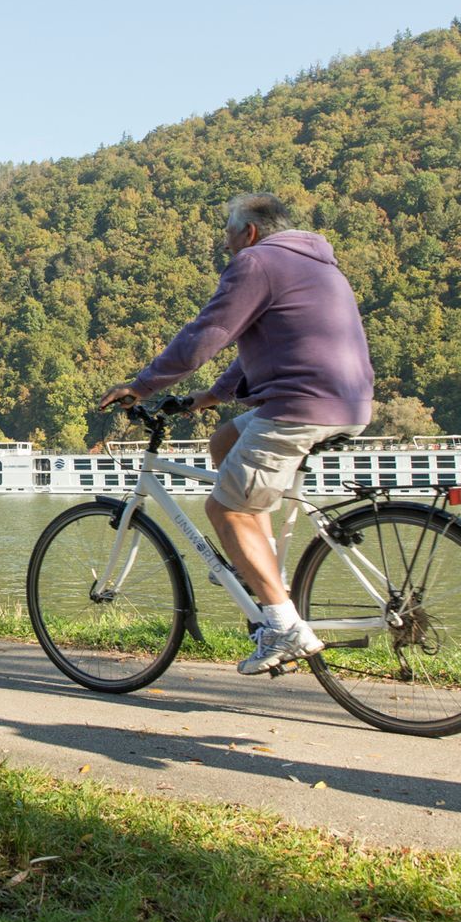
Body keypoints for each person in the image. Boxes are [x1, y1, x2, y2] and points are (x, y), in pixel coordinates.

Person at [100, 193, 373, 676]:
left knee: (223, 508)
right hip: (348, 403)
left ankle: (283, 624)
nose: (224, 244)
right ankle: (266, 574)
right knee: (224, 441)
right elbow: (261, 345)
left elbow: (208, 334)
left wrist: (143, 386)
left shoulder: (256, 262)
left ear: (248, 233)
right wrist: (208, 398)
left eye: (227, 232)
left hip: (298, 407)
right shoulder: (316, 264)